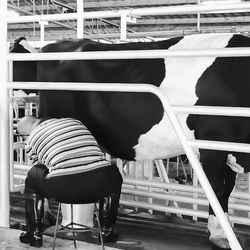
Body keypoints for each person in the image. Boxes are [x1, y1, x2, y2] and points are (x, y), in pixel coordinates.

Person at [17, 116, 123, 247]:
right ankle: (107, 232)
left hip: (64, 190)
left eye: (23, 136)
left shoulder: (31, 140)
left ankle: (34, 234)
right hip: (99, 186)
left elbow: (42, 166)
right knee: (113, 172)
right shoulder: (74, 121)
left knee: (34, 174)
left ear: (28, 132)